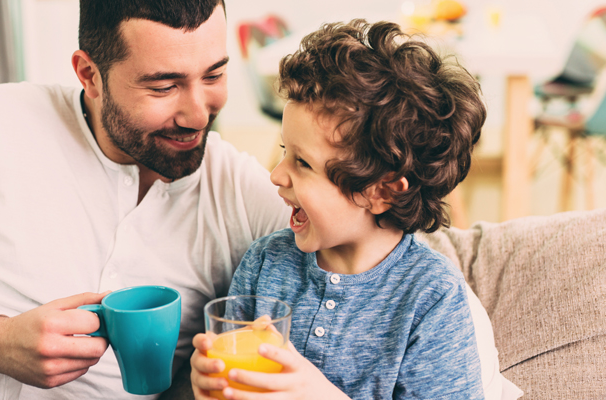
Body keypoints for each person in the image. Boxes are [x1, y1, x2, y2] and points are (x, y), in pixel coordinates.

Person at [0, 1, 289, 399]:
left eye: (213, 75)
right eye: (163, 87)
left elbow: (349, 262)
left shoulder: (240, 191)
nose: (198, 114)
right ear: (89, 74)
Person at [190, 19, 504, 400]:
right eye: (285, 153)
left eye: (302, 164)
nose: (275, 175)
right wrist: (209, 385)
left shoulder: (430, 299)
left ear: (381, 191)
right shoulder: (265, 264)